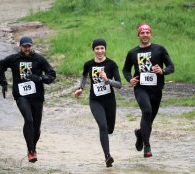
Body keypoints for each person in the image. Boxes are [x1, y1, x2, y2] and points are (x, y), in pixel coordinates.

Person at [0, 36, 56, 162]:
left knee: (36, 127)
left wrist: (39, 78)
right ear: (20, 47)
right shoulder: (14, 59)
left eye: (29, 46)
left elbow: (51, 75)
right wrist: (3, 82)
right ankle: (31, 151)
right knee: (28, 119)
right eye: (25, 46)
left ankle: (32, 147)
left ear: (32, 46)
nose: (27, 49)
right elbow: (0, 65)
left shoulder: (39, 59)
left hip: (37, 96)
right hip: (21, 95)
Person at [123, 24, 175, 158]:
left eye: (147, 32)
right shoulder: (132, 52)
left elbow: (171, 67)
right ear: (138, 35)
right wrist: (130, 79)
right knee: (146, 111)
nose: (145, 35)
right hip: (141, 88)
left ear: (150, 34)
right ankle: (147, 147)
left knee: (149, 120)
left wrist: (162, 71)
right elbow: (126, 70)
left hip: (156, 89)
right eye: (142, 33)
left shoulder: (159, 49)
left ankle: (140, 134)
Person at [75, 38, 121, 167]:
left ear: (105, 49)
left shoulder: (111, 64)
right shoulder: (88, 64)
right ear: (93, 50)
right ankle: (107, 156)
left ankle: (106, 147)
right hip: (95, 100)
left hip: (109, 101)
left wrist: (107, 80)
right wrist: (80, 88)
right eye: (97, 48)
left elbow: (119, 84)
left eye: (102, 48)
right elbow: (84, 77)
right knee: (103, 126)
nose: (100, 51)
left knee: (110, 129)